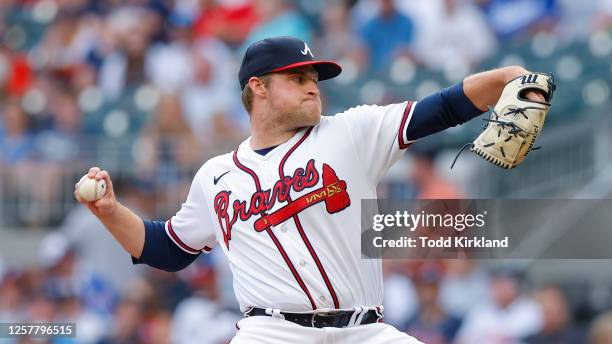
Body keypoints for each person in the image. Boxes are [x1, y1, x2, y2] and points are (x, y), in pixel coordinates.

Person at [75, 36, 548, 343]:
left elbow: (442, 108)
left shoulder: (351, 132)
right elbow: (167, 249)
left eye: (314, 79)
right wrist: (111, 212)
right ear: (258, 88)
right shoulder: (216, 175)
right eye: (297, 78)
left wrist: (506, 77)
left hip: (364, 330)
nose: (312, 88)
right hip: (271, 332)